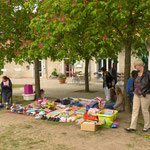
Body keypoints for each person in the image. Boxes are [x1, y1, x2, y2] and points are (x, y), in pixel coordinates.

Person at [125, 59, 150, 133]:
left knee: (144, 110)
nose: (135, 67)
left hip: (145, 95)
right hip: (136, 94)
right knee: (135, 110)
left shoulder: (148, 74)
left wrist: (145, 92)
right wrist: (132, 89)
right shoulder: (136, 73)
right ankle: (132, 127)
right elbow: (135, 83)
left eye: (135, 66)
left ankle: (147, 126)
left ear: (140, 65)